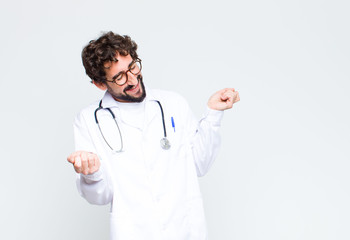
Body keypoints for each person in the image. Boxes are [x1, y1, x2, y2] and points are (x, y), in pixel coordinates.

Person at [66, 31, 240, 240]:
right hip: (134, 233)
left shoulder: (173, 103)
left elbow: (199, 165)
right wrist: (91, 173)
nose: (132, 79)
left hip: (185, 229)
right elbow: (99, 196)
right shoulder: (88, 120)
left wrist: (213, 114)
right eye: (120, 76)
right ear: (100, 84)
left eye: (132, 66)